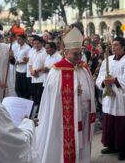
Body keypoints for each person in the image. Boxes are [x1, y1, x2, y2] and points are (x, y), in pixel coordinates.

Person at [36, 27, 96, 163]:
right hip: (66, 115)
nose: (79, 57)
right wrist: (74, 91)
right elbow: (52, 93)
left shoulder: (83, 67)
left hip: (85, 111)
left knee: (83, 140)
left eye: (80, 54)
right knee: (72, 139)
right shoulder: (57, 70)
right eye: (75, 54)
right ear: (65, 52)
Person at [96, 37, 125, 160]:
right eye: (112, 45)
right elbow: (100, 77)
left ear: (124, 47)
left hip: (121, 98)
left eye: (116, 45)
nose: (113, 47)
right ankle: (111, 145)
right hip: (109, 97)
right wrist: (104, 82)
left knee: (122, 124)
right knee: (109, 122)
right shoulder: (107, 60)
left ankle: (124, 149)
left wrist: (114, 80)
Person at [28, 36, 47, 106]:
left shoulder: (45, 52)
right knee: (34, 96)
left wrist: (36, 71)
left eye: (38, 43)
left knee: (40, 96)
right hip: (33, 77)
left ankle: (39, 112)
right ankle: (35, 111)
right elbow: (30, 64)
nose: (36, 45)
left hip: (41, 78)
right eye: (34, 44)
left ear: (42, 43)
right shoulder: (33, 52)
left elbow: (46, 65)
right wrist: (32, 71)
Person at [14, 34, 31, 99]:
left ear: (24, 39)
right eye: (17, 39)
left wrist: (21, 62)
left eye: (19, 39)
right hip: (18, 69)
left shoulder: (27, 48)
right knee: (18, 88)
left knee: (24, 88)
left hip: (24, 70)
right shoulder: (18, 47)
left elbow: (29, 60)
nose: (18, 41)